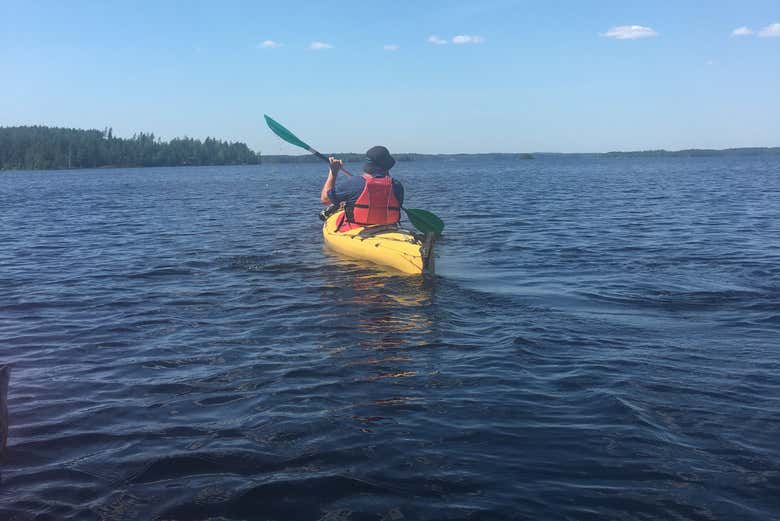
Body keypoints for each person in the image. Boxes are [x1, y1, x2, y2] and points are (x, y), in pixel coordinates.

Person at [320, 145, 404, 227]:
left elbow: (325, 199)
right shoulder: (397, 186)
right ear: (387, 166)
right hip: (388, 227)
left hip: (356, 228)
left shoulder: (353, 183)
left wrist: (333, 172)